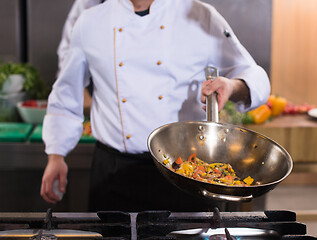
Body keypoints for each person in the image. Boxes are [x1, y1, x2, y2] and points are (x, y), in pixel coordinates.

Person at [40, 0, 270, 212]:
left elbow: (252, 74)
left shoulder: (201, 16)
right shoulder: (90, 22)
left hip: (185, 173)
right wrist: (56, 155)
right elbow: (66, 95)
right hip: (114, 174)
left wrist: (232, 86)